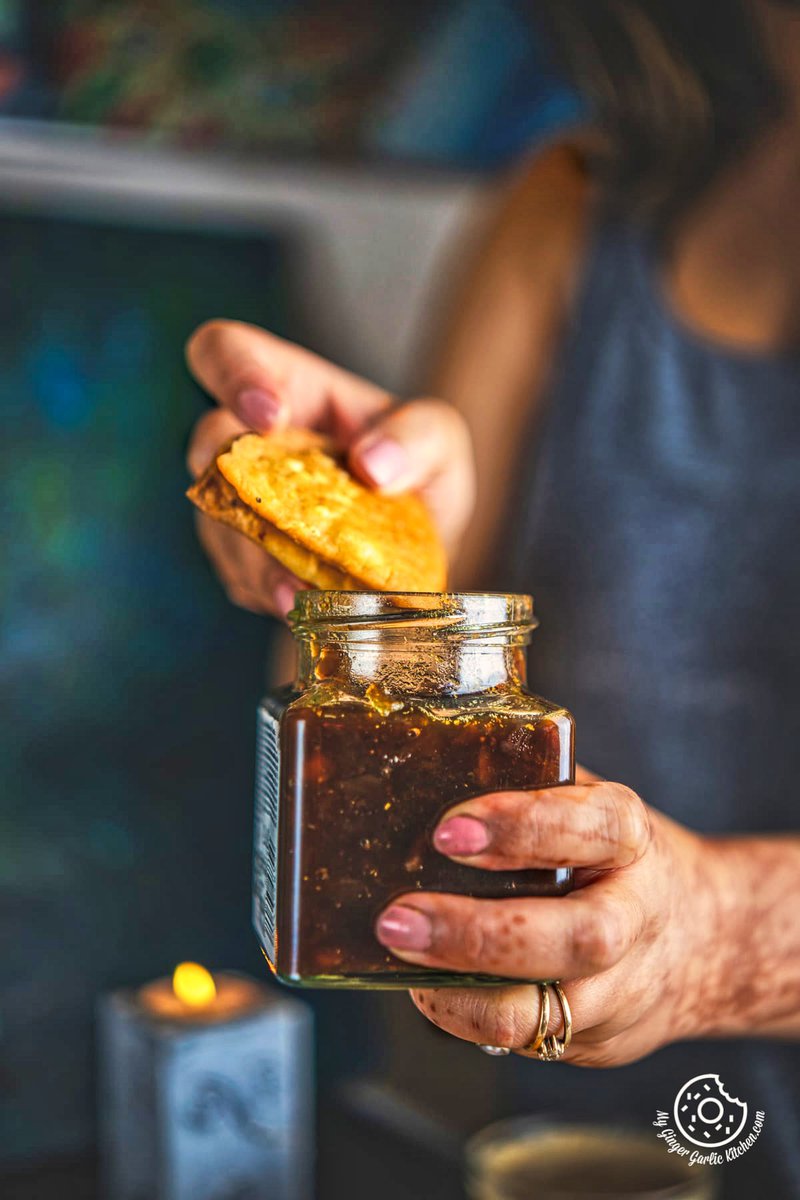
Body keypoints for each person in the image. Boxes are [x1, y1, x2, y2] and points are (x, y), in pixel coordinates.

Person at [186, 0, 800, 1191]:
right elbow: (352, 810)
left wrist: (725, 937)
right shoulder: (572, 207)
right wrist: (365, 557)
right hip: (582, 1147)